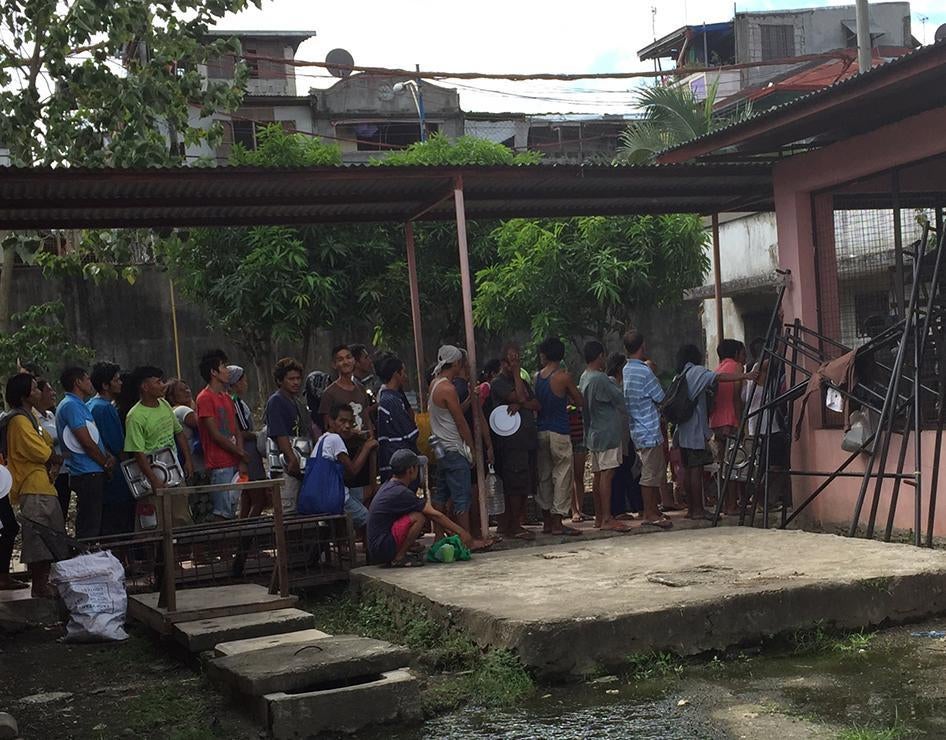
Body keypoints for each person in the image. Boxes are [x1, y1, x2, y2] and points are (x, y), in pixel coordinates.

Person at [673, 344, 756, 520]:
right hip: (695, 429)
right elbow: (719, 378)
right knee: (696, 470)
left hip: (684, 430)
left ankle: (692, 509)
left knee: (689, 470)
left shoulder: (682, 373)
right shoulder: (697, 372)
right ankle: (698, 509)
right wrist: (746, 375)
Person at [2, 374, 63, 597]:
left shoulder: (31, 418)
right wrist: (54, 457)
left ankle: (43, 582)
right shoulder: (18, 420)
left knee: (51, 534)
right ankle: (39, 585)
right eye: (36, 388)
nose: (39, 392)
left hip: (43, 484)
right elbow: (39, 449)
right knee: (39, 536)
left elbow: (46, 438)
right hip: (32, 485)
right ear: (25, 395)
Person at [367, 449, 474, 567]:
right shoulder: (400, 492)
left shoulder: (389, 485)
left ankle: (400, 552)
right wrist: (461, 532)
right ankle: (399, 558)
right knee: (418, 517)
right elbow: (433, 514)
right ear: (411, 470)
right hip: (381, 548)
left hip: (377, 547)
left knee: (415, 513)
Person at [124, 366, 195, 528]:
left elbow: (179, 432)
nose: (163, 385)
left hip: (174, 474)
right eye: (158, 382)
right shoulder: (135, 416)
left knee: (181, 520)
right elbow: (138, 452)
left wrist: (188, 460)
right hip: (151, 479)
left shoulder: (164, 404)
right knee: (155, 526)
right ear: (145, 387)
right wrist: (154, 479)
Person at [623, 331, 680, 529]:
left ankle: (653, 510)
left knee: (652, 472)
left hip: (636, 428)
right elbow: (661, 397)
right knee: (650, 473)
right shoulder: (645, 372)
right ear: (643, 346)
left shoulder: (626, 371)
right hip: (649, 429)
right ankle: (649, 513)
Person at [578, 342, 635, 532]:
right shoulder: (601, 379)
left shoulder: (584, 377)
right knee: (607, 475)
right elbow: (620, 398)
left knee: (598, 475)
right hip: (607, 432)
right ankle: (607, 517)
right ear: (600, 356)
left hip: (594, 431)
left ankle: (599, 516)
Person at [56, 366, 114, 540]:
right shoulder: (71, 405)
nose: (91, 383)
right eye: (87, 379)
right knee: (89, 527)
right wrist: (105, 463)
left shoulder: (78, 404)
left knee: (93, 523)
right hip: (87, 472)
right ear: (78, 382)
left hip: (91, 470)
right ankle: (85, 562)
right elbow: (86, 442)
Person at [489, 343, 540, 540]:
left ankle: (514, 523)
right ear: (504, 363)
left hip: (525, 441)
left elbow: (535, 403)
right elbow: (519, 395)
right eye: (512, 360)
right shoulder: (499, 383)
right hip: (511, 444)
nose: (516, 364)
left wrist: (521, 404)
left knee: (523, 484)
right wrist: (517, 375)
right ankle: (514, 526)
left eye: (518, 360)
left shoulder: (523, 382)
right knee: (514, 484)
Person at [534, 337, 583, 536]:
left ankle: (546, 520)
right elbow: (579, 401)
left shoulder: (537, 376)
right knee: (562, 475)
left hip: (541, 429)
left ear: (544, 354)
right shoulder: (563, 377)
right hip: (560, 431)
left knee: (544, 475)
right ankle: (557, 520)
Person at [429, 345, 479, 538]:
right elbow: (460, 422)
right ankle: (466, 538)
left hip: (441, 449)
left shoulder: (435, 384)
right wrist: (472, 449)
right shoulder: (448, 388)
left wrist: (469, 401)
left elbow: (451, 412)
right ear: (457, 363)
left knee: (441, 494)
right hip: (453, 448)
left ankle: (439, 537)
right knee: (461, 497)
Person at [195, 350, 246, 521]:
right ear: (213, 372)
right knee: (221, 513)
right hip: (219, 463)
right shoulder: (204, 398)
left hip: (233, 462)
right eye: (223, 366)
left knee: (231, 511)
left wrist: (239, 457)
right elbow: (215, 435)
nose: (227, 370)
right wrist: (240, 453)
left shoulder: (226, 397)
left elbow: (237, 431)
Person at [312, 403, 378, 532]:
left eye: (350, 422)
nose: (347, 426)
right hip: (336, 496)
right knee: (369, 520)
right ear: (330, 421)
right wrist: (366, 447)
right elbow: (352, 471)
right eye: (342, 421)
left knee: (371, 490)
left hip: (326, 494)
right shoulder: (335, 439)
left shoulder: (323, 439)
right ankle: (372, 549)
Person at [88, 362, 135, 536]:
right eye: (116, 380)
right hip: (115, 472)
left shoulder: (91, 405)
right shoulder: (106, 408)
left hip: (100, 470)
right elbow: (118, 444)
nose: (120, 383)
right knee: (119, 522)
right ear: (105, 385)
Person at [263, 357, 309, 515]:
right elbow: (280, 433)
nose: (296, 382)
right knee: (287, 509)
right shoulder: (276, 401)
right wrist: (292, 458)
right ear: (280, 380)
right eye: (291, 379)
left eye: (298, 378)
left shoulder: (297, 402)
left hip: (299, 463)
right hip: (285, 465)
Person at [710, 340, 747, 515]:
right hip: (731, 420)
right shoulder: (737, 367)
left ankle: (725, 503)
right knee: (734, 463)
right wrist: (740, 422)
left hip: (716, 422)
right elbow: (736, 397)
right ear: (737, 353)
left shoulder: (717, 370)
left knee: (722, 464)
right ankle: (733, 504)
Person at [607, 352, 646, 521]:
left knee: (629, 470)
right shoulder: (612, 384)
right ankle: (620, 508)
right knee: (622, 472)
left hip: (624, 434)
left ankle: (634, 506)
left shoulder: (619, 384)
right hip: (618, 435)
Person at [228, 365, 269, 518]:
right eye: (243, 380)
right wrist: (260, 434)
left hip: (246, 452)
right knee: (259, 498)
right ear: (235, 383)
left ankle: (243, 531)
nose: (246, 384)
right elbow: (242, 432)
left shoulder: (236, 402)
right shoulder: (235, 402)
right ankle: (248, 535)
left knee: (247, 498)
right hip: (248, 453)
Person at [376, 355, 419, 481]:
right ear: (396, 374)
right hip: (397, 459)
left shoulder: (389, 398)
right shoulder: (392, 400)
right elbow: (411, 434)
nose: (405, 376)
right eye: (403, 372)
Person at [34, 378, 70, 520]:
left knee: (62, 512)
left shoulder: (51, 415)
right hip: (49, 474)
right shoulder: (33, 418)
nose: (53, 393)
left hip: (64, 471)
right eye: (49, 390)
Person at [319, 345, 373, 435]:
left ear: (354, 360)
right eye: (340, 359)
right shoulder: (329, 393)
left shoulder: (361, 388)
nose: (346, 362)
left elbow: (367, 418)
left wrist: (371, 438)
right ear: (334, 365)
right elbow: (328, 426)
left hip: (364, 443)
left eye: (348, 357)